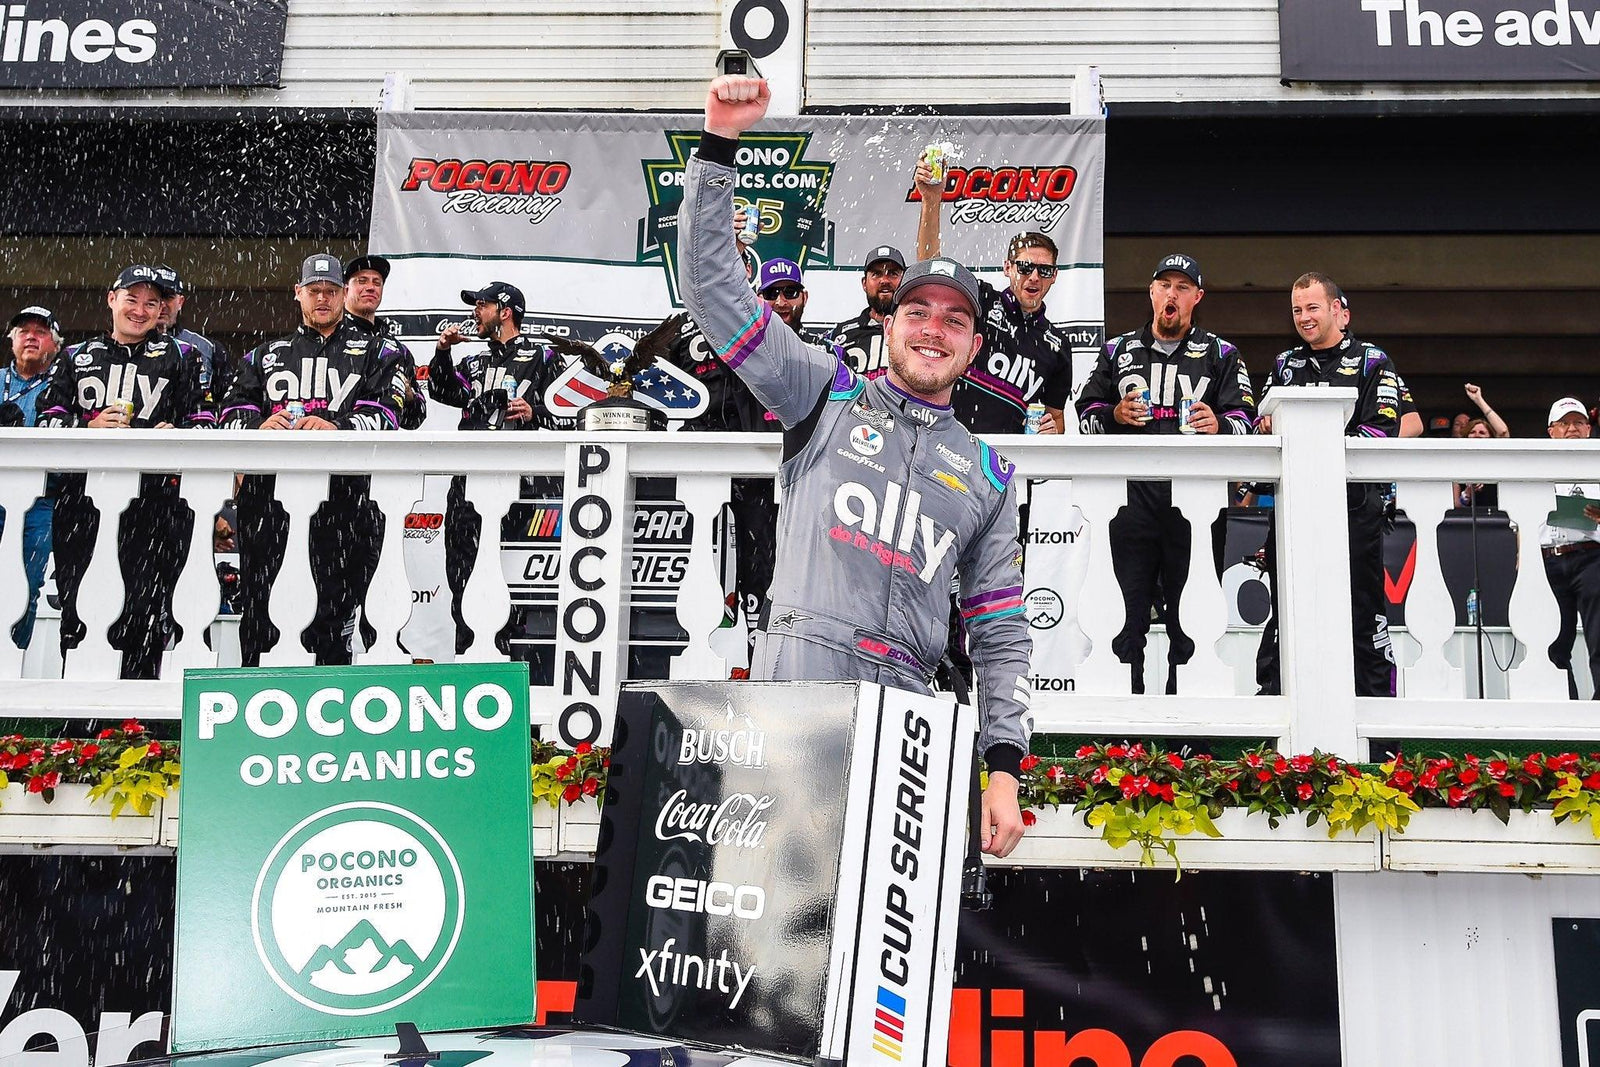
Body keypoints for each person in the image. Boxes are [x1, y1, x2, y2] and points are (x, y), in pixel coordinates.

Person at [682, 73, 1032, 858]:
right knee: (770, 918)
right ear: (890, 323)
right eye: (918, 311)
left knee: (879, 926)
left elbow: (1001, 630)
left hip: (904, 727)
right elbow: (711, 288)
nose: (934, 329)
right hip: (793, 703)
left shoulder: (987, 474)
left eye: (955, 320)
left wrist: (1005, 767)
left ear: (975, 345)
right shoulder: (824, 392)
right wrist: (719, 139)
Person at [1077, 253, 1256, 694]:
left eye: (1182, 287)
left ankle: (1189, 723)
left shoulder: (1222, 354)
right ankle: (1123, 723)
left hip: (1196, 506)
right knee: (1124, 619)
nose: (1171, 294)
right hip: (1129, 503)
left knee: (1191, 620)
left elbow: (1247, 421)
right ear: (1152, 292)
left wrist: (1219, 424)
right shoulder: (1117, 350)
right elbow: (1085, 414)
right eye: (1164, 285)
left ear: (1197, 297)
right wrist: (1115, 414)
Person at [220, 254, 409, 666]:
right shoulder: (265, 354)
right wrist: (258, 425)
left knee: (334, 610)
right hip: (269, 503)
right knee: (261, 606)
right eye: (314, 290)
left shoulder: (377, 351)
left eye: (331, 291)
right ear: (298, 293)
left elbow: (389, 414)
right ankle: (257, 692)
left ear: (344, 294)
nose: (322, 298)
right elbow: (230, 412)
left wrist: (336, 428)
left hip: (346, 501)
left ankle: (330, 698)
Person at [37, 266, 207, 678]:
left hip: (156, 505)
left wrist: (178, 435)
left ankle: (136, 709)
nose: (140, 310)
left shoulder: (184, 356)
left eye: (152, 302)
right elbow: (46, 419)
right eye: (132, 299)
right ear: (112, 299)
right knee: (78, 605)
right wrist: (87, 426)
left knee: (146, 609)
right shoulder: (76, 356)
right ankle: (79, 707)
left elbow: (205, 422)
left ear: (163, 309)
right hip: (82, 503)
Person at [1255, 272, 1403, 698]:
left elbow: (1383, 430)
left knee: (1363, 611)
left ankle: (1377, 714)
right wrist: (1265, 427)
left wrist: (1315, 445)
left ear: (1337, 310)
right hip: (1294, 511)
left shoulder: (1373, 360)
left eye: (1312, 307)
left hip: (1354, 509)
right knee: (1288, 609)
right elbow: (1262, 425)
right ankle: (1277, 706)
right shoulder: (1285, 364)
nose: (1304, 317)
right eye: (1297, 310)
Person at [428, 281, 570, 655]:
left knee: (512, 577)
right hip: (468, 482)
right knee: (461, 572)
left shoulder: (544, 357)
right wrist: (443, 351)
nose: (475, 312)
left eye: (482, 305)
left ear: (505, 312)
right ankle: (466, 654)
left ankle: (509, 656)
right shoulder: (474, 361)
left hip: (521, 486)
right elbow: (441, 391)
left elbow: (573, 415)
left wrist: (536, 413)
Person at [914, 160, 1069, 435]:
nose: (1034, 277)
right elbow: (932, 268)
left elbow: (1056, 418)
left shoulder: (1058, 345)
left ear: (1054, 275)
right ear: (1008, 268)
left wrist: (1052, 433)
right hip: (949, 440)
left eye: (1044, 270)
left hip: (1007, 457)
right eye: (1025, 267)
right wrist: (931, 201)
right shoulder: (983, 299)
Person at [0, 306, 61, 649]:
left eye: (41, 332)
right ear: (12, 340)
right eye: (24, 331)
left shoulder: (62, 387)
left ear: (55, 344)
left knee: (27, 582)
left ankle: (12, 657)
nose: (31, 338)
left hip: (40, 500)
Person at [1540, 397, 1600, 700]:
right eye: (1564, 423)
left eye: (1578, 422)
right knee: (1554, 641)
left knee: (1599, 635)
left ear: (1588, 429)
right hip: (1549, 558)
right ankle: (1566, 707)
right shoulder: (1535, 464)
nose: (1572, 428)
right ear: (1551, 431)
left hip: (1592, 556)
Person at [343, 254, 428, 430]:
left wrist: (409, 395)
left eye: (377, 283)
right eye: (362, 281)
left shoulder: (396, 348)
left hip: (381, 444)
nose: (370, 287)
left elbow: (416, 419)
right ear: (345, 290)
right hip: (335, 437)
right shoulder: (333, 336)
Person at [154, 265, 230, 421]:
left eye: (168, 297)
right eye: (154, 297)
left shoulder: (208, 348)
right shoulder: (121, 346)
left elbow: (228, 405)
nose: (161, 304)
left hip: (192, 433)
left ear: (180, 301)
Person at [826, 245, 905, 377]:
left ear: (905, 280)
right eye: (876, 274)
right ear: (864, 283)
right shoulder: (841, 334)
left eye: (893, 274)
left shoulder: (917, 331)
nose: (884, 280)